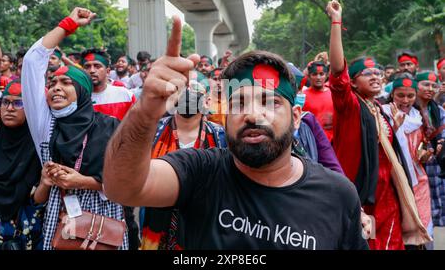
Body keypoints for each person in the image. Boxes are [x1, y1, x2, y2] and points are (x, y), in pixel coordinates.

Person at [103, 16, 368, 250]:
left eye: (270, 102)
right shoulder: (201, 171)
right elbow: (121, 188)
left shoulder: (338, 195)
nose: (252, 115)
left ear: (296, 117)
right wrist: (146, 111)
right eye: (239, 103)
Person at [22, 7, 128, 250]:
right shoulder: (46, 125)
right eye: (52, 83)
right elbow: (31, 62)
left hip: (105, 220)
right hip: (60, 221)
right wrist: (68, 24)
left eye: (66, 82)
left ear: (82, 92)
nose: (56, 87)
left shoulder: (111, 126)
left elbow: (131, 180)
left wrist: (85, 181)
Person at [326, 0, 430, 250]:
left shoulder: (380, 111)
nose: (376, 77)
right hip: (364, 195)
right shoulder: (350, 106)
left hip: (389, 194)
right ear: (353, 83)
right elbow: (338, 71)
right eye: (367, 74)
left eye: (378, 73)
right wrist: (336, 22)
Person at [141, 81, 227, 250]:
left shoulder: (220, 135)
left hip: (204, 216)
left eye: (195, 91)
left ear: (207, 101)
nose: (188, 95)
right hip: (157, 213)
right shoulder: (154, 130)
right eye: (182, 91)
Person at [381, 74, 434, 248]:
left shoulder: (419, 118)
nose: (405, 100)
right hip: (394, 182)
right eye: (400, 95)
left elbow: (420, 148)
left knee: (423, 231)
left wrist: (426, 155)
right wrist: (395, 127)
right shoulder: (382, 115)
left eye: (410, 96)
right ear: (392, 95)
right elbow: (381, 148)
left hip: (419, 182)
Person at [0, 80, 44, 250]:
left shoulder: (41, 147)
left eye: (18, 103)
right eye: (5, 102)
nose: (9, 108)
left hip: (32, 228)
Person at [415, 71, 445, 228]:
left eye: (434, 85)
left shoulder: (438, 110)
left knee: (438, 205)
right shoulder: (409, 110)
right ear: (416, 85)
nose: (430, 88)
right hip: (416, 165)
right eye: (425, 84)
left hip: (436, 164)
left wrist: (442, 143)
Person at [81, 49, 136, 121]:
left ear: (107, 71)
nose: (92, 71)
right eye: (87, 66)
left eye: (97, 66)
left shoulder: (125, 95)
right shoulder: (76, 99)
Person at [302, 61, 334, 142]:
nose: (318, 77)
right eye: (314, 74)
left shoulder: (334, 94)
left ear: (326, 76)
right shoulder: (302, 96)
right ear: (309, 76)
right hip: (312, 141)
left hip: (332, 142)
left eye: (321, 74)